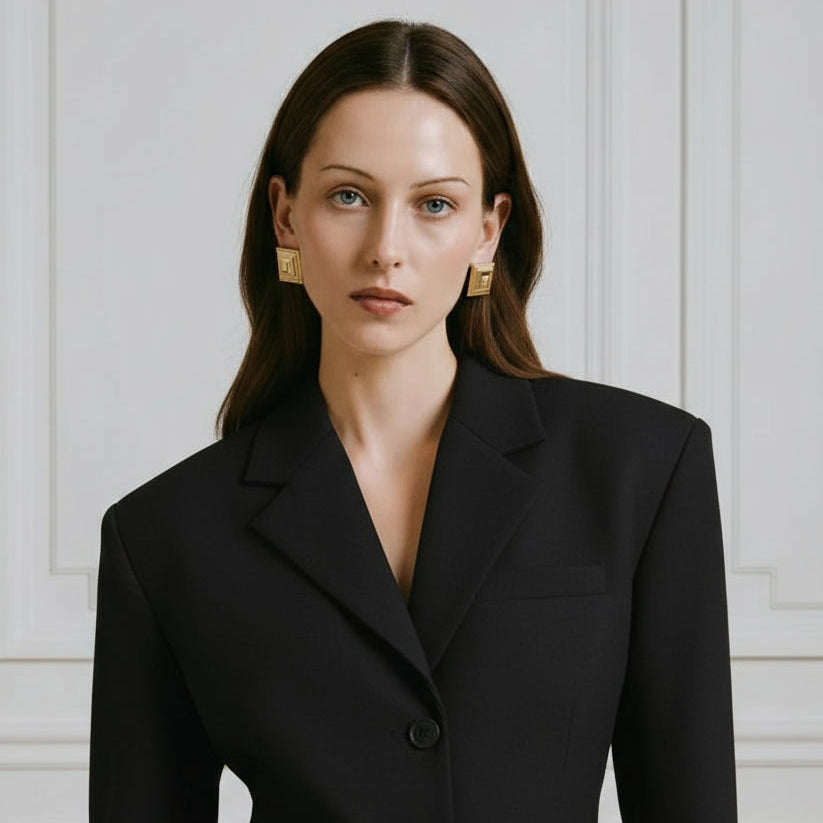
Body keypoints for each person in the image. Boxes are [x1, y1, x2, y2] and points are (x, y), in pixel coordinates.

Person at [88, 18, 738, 823]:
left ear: (487, 231)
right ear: (286, 217)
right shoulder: (166, 534)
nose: (385, 247)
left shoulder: (641, 467)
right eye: (348, 196)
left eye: (433, 203)